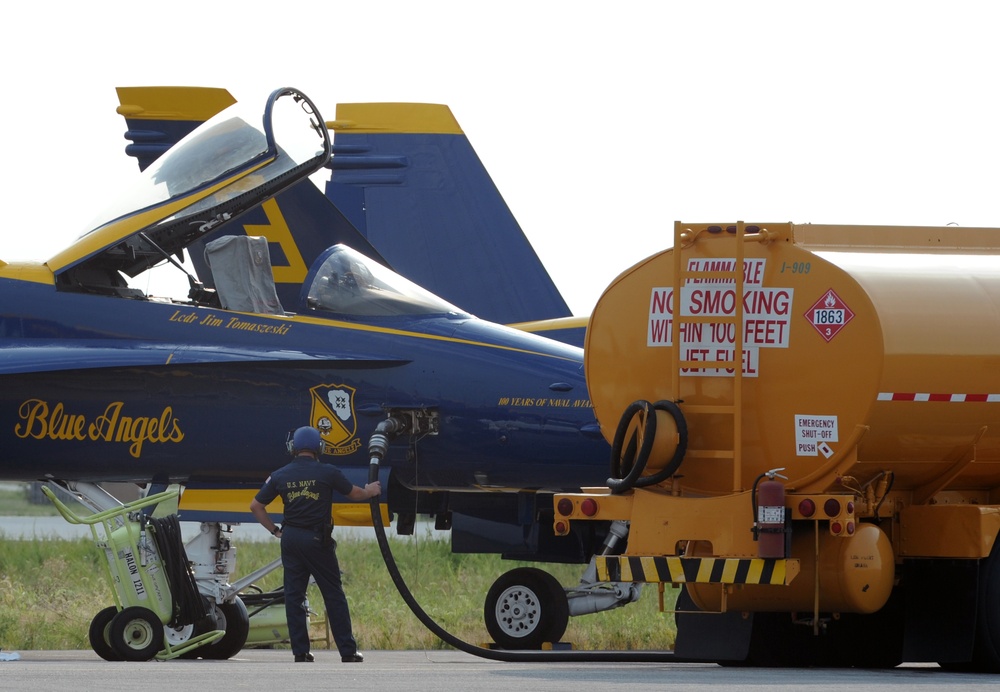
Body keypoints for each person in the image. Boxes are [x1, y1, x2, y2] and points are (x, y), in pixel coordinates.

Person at [250, 425, 381, 663]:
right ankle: (348, 652)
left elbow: (256, 506)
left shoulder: (279, 475)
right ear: (320, 447)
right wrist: (370, 491)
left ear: (293, 448)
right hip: (317, 540)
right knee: (333, 593)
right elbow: (354, 494)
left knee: (294, 595)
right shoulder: (327, 472)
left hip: (290, 539)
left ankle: (300, 652)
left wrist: (274, 530)